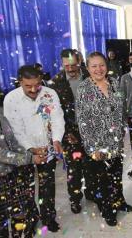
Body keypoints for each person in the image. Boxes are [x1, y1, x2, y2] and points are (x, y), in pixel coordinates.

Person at [3, 65, 65, 233]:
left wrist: (57, 139)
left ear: (41, 79)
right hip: (24, 153)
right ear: (20, 82)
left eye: (37, 84)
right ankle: (31, 218)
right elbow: (15, 130)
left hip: (48, 149)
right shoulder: (11, 99)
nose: (33, 89)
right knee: (27, 189)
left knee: (47, 186)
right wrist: (31, 149)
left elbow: (57, 118)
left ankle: (48, 217)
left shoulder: (49, 94)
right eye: (27, 86)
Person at [76, 52, 132, 226]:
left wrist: (123, 128)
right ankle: (107, 209)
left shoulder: (115, 84)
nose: (98, 69)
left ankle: (119, 202)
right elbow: (82, 121)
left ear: (106, 66)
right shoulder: (83, 88)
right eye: (93, 66)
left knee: (117, 175)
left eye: (101, 65)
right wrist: (92, 148)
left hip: (115, 142)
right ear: (87, 68)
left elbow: (120, 109)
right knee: (102, 179)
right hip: (97, 144)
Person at [0, 85, 46, 237]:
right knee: (0, 218)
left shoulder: (1, 118)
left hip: (12, 173)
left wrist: (31, 151)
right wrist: (30, 158)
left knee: (19, 212)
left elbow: (13, 144)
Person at [50, 49, 90, 214]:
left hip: (91, 131)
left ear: (79, 61)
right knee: (74, 169)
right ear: (62, 64)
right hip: (70, 133)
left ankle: (92, 192)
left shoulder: (91, 76)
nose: (71, 69)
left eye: (74, 65)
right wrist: (65, 134)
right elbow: (52, 113)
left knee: (92, 164)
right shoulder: (55, 82)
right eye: (67, 65)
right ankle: (75, 199)